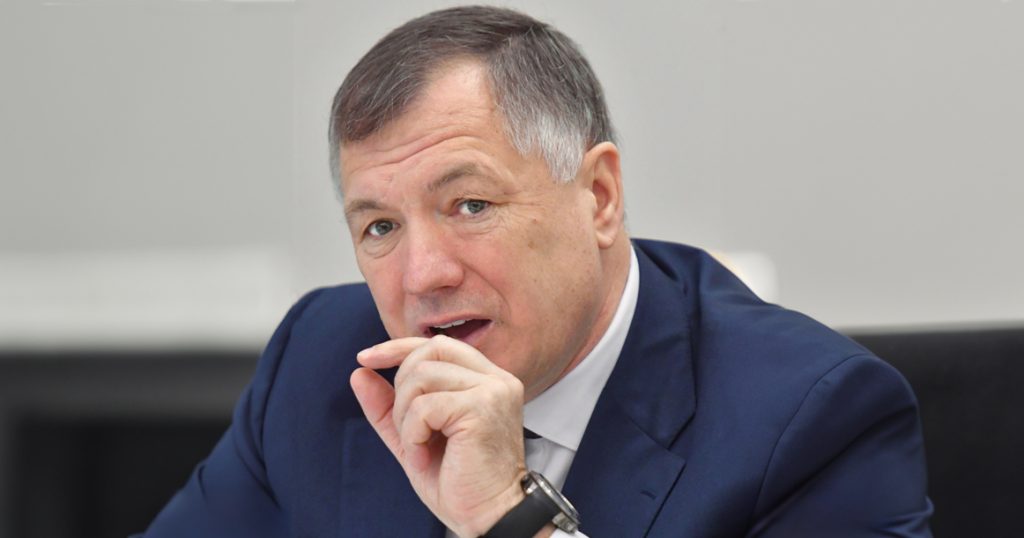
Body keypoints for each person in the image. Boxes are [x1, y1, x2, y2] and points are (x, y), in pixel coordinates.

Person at [141, 6, 932, 537]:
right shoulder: (322, 359)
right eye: (380, 226)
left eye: (470, 205)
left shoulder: (810, 418)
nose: (422, 276)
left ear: (599, 197)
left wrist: (509, 517)